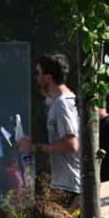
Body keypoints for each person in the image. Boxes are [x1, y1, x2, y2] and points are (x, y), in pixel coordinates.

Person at [18, 53, 80, 206]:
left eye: (37, 73)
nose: (35, 78)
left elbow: (71, 144)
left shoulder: (62, 104)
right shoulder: (66, 100)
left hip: (68, 185)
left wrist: (34, 148)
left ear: (48, 78)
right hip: (68, 183)